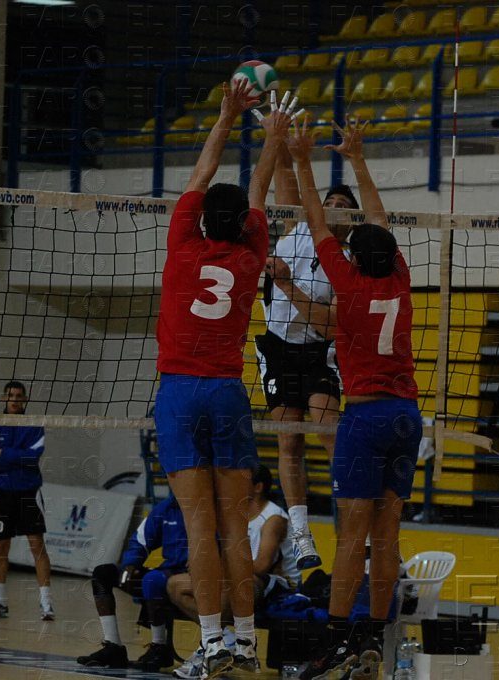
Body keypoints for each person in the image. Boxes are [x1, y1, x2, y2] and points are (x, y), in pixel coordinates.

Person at [154, 80, 295, 677]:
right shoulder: (251, 252)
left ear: (202, 219)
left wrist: (226, 116)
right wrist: (274, 137)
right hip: (228, 393)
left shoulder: (184, 243)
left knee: (199, 525)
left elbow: (202, 172)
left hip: (181, 392)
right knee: (235, 526)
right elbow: (258, 188)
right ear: (243, 225)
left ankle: (211, 643)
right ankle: (245, 644)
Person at [286, 117, 422, 679]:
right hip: (407, 417)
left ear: (354, 258)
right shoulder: (399, 279)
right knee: (387, 537)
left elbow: (317, 220)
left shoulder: (349, 282)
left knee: (351, 536)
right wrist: (359, 160)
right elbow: (378, 219)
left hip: (365, 419)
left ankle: (336, 642)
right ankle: (372, 640)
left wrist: (302, 159)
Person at [256, 142, 361, 569]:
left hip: (318, 351)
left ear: (351, 223)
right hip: (278, 350)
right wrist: (278, 134)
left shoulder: (348, 262)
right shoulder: (295, 229)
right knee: (289, 440)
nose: (333, 207)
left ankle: (352, 524)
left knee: (331, 433)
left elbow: (330, 327)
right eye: (329, 201)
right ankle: (301, 535)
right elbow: (285, 174)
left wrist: (287, 284)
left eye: (343, 206)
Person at [169, 464, 302, 680]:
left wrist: (219, 568)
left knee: (225, 592)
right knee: (175, 585)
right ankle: (225, 639)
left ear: (257, 487)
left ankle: (210, 647)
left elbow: (262, 565)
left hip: (276, 583)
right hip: (237, 577)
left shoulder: (274, 518)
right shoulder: (233, 513)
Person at [77, 492, 189, 673]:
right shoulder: (165, 508)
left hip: (195, 576)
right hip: (169, 572)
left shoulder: (208, 506)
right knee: (103, 573)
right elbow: (140, 540)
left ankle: (159, 648)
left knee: (153, 580)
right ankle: (113, 646)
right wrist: (131, 564)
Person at [0, 381, 53, 621]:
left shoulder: (34, 425)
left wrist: (5, 454)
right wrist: (15, 457)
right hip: (2, 493)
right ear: (4, 398)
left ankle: (46, 602)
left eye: (19, 396)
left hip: (28, 492)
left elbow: (33, 459)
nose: (15, 399)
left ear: (25, 399)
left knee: (37, 545)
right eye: (11, 395)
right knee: (0, 546)